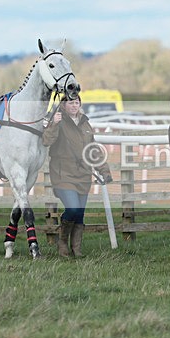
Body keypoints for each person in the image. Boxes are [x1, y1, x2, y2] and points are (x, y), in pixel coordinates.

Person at [42, 94, 113, 257]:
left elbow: (93, 150)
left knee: (79, 213)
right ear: (63, 105)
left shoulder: (85, 123)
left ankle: (76, 248)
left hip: (83, 174)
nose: (74, 105)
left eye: (76, 102)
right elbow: (46, 141)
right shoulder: (58, 121)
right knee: (73, 209)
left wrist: (104, 170)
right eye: (70, 103)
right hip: (63, 174)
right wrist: (54, 124)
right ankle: (62, 242)